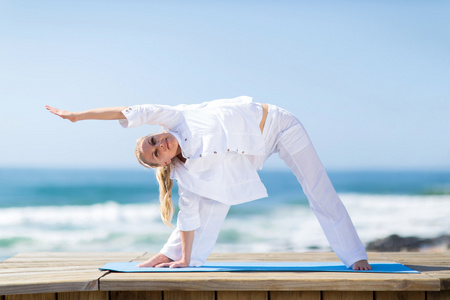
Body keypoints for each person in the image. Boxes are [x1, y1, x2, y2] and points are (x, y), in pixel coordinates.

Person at [46, 96, 372, 270]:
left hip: (278, 125)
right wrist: (183, 258)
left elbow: (132, 110)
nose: (161, 144)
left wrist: (78, 116)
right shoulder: (185, 174)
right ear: (163, 163)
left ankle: (354, 254)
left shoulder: (174, 117)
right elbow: (188, 217)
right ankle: (174, 255)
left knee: (317, 188)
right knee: (208, 198)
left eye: (155, 139)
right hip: (245, 158)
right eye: (156, 151)